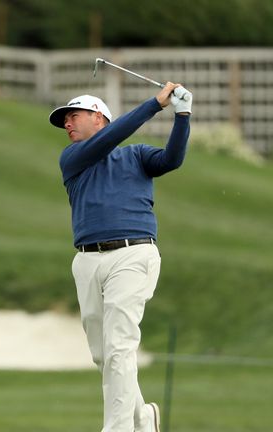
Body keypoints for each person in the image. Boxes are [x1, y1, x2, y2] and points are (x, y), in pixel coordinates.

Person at [49, 82, 191, 432]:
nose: (67, 123)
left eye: (74, 115)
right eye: (65, 119)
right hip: (86, 261)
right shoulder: (72, 159)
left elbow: (172, 160)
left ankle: (117, 429)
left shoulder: (137, 155)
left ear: (99, 117)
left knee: (119, 347)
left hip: (132, 254)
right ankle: (142, 417)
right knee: (104, 355)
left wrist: (182, 116)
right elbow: (108, 140)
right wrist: (154, 104)